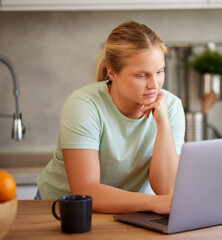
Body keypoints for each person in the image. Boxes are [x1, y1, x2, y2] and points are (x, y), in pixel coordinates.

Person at [36, 21, 185, 215]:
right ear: (112, 72)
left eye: (160, 71)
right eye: (142, 75)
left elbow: (168, 191)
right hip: (61, 211)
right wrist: (152, 203)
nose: (154, 85)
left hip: (134, 212)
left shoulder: (170, 107)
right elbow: (85, 190)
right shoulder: (83, 106)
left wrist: (163, 124)